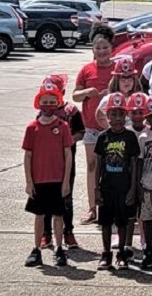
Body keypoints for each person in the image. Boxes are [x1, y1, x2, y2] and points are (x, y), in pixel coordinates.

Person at [23, 80, 75, 267]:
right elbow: (28, 156)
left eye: (52, 102)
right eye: (45, 101)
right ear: (39, 103)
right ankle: (36, 249)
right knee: (39, 215)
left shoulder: (63, 127)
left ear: (58, 103)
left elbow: (68, 154)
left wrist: (66, 181)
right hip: (39, 180)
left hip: (57, 179)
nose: (48, 106)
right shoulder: (32, 128)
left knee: (58, 215)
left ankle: (59, 248)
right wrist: (29, 182)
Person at [73, 23, 115, 224]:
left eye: (105, 47)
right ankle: (92, 208)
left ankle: (113, 207)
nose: (102, 51)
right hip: (91, 128)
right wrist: (86, 93)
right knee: (92, 166)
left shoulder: (117, 69)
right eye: (97, 48)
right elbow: (75, 95)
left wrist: (113, 93)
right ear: (92, 50)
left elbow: (129, 91)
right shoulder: (86, 70)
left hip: (113, 128)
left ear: (111, 48)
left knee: (113, 168)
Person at [94, 93, 141, 271]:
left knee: (122, 222)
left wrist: (132, 189)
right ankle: (106, 253)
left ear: (126, 116)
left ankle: (121, 253)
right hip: (106, 187)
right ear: (107, 117)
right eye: (113, 115)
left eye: (121, 114)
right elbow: (98, 164)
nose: (117, 119)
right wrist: (95, 189)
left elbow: (134, 164)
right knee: (105, 222)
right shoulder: (102, 137)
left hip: (124, 187)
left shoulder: (130, 137)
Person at [39, 73, 83, 250]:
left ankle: (68, 232)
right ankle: (46, 233)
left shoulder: (70, 111)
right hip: (47, 163)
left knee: (66, 196)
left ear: (62, 91)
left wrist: (68, 140)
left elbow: (81, 132)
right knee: (47, 196)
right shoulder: (41, 113)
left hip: (66, 162)